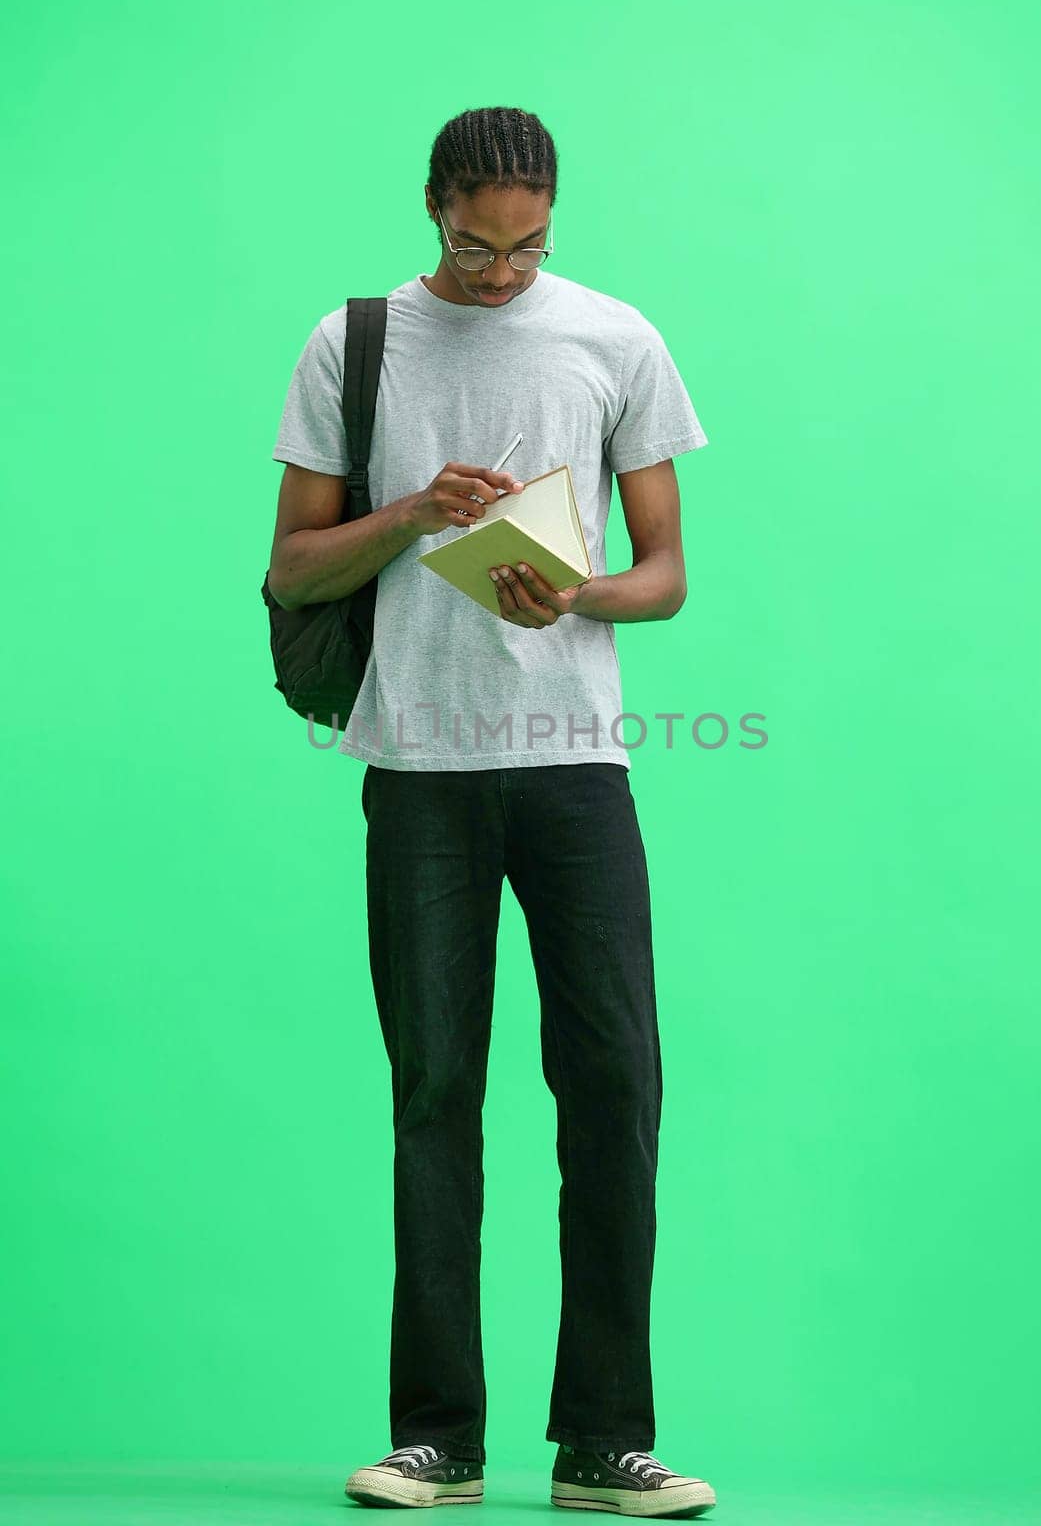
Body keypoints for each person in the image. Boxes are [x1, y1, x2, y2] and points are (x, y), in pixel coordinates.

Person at [267, 106, 716, 1517]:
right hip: (419, 771)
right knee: (435, 1100)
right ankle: (436, 1442)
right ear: (430, 208)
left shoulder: (616, 338)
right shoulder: (355, 345)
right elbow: (292, 572)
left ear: (555, 220)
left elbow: (666, 574)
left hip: (579, 768)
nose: (503, 270)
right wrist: (408, 517)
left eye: (529, 246)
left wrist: (575, 591)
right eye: (476, 242)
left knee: (616, 1089)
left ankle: (604, 1441)